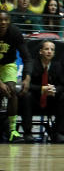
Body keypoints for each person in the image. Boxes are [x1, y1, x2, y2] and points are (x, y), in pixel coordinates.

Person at [21, 39, 64, 142]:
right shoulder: (31, 65)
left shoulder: (58, 66)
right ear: (40, 51)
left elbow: (62, 85)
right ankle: (27, 133)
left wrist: (54, 90)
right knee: (26, 96)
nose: (49, 51)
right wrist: (41, 89)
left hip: (51, 100)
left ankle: (59, 132)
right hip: (35, 100)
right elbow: (26, 85)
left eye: (52, 50)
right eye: (46, 49)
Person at [0, 10, 32, 142]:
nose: (3, 22)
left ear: (9, 21)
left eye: (5, 20)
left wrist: (27, 78)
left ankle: (12, 130)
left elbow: (27, 58)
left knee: (12, 89)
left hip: (8, 65)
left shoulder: (15, 33)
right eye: (0, 20)